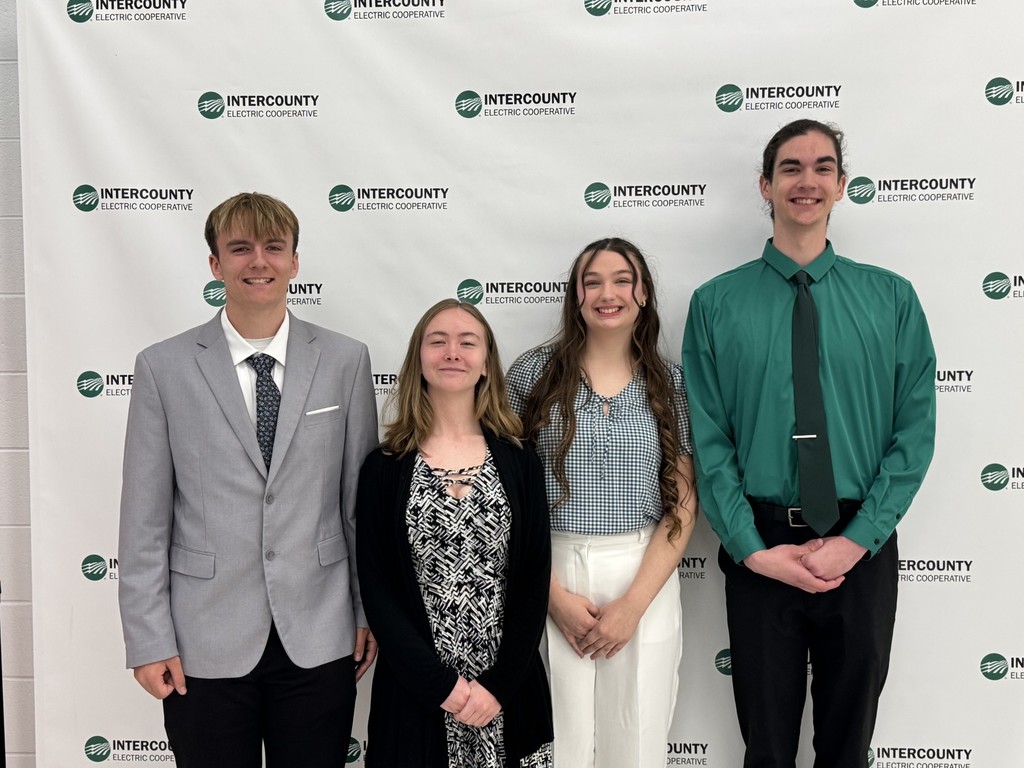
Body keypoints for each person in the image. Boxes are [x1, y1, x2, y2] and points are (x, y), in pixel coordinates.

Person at [681, 119, 936, 767]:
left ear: (842, 185)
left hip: (860, 546)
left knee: (848, 750)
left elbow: (913, 433)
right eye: (790, 167)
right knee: (766, 750)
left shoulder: (892, 299)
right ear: (765, 185)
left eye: (823, 167)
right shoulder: (714, 304)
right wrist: (751, 550)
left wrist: (857, 540)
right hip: (761, 548)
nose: (807, 180)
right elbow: (709, 442)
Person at [117, 192, 378, 767]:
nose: (258, 261)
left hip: (319, 632)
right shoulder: (163, 367)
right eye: (240, 248)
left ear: (295, 262)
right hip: (203, 640)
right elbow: (144, 520)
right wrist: (148, 638)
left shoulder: (345, 361)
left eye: (273, 247)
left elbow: (359, 509)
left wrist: (366, 611)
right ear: (215, 264)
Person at [506, 238, 697, 768]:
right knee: (556, 743)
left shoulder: (670, 383)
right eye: (592, 282)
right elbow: (505, 493)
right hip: (549, 569)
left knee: (635, 740)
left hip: (643, 574)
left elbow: (682, 505)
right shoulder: (532, 374)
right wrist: (550, 597)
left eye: (621, 280)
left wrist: (633, 606)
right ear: (576, 296)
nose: (606, 294)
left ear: (644, 294)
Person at [356, 298, 554, 768]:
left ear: (485, 364)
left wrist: (496, 687)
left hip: (508, 691)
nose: (452, 353)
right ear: (418, 360)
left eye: (468, 343)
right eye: (437, 341)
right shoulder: (384, 468)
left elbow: (533, 579)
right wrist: (440, 686)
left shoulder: (521, 460)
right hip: (415, 694)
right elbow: (378, 589)